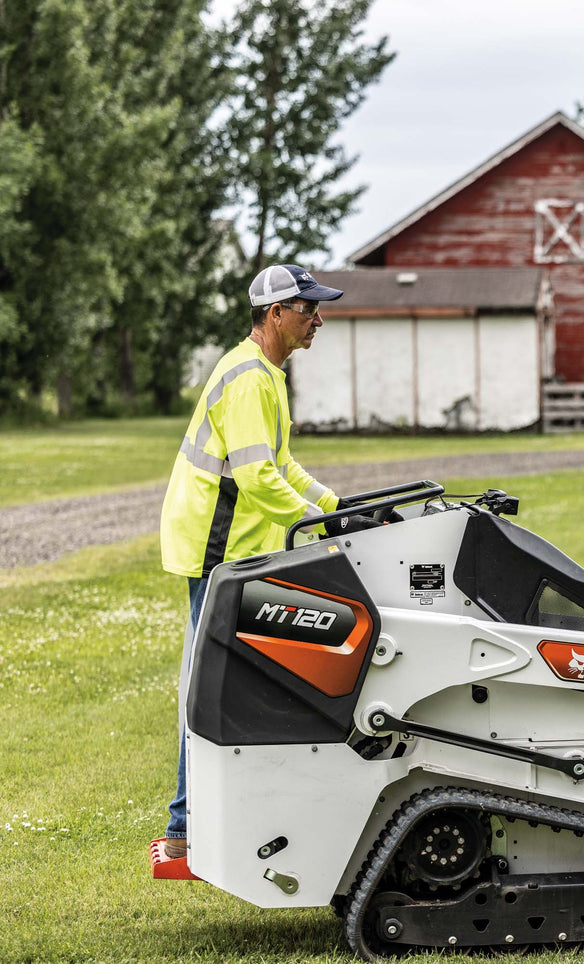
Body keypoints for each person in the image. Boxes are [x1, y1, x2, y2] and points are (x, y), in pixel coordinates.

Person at [157, 264, 344, 859]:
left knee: (230, 678)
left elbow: (282, 466)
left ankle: (209, 817)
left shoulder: (267, 373)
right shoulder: (247, 379)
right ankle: (184, 828)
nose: (318, 320)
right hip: (217, 547)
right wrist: (314, 522)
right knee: (209, 682)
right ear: (275, 314)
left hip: (236, 544)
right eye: (308, 310)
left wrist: (338, 508)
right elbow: (258, 478)